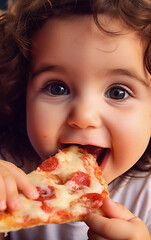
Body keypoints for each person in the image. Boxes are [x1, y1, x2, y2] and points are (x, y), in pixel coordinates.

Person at [0, 0, 151, 239]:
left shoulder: (147, 197)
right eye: (57, 88)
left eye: (117, 92)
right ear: (22, 93)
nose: (83, 116)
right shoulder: (6, 172)